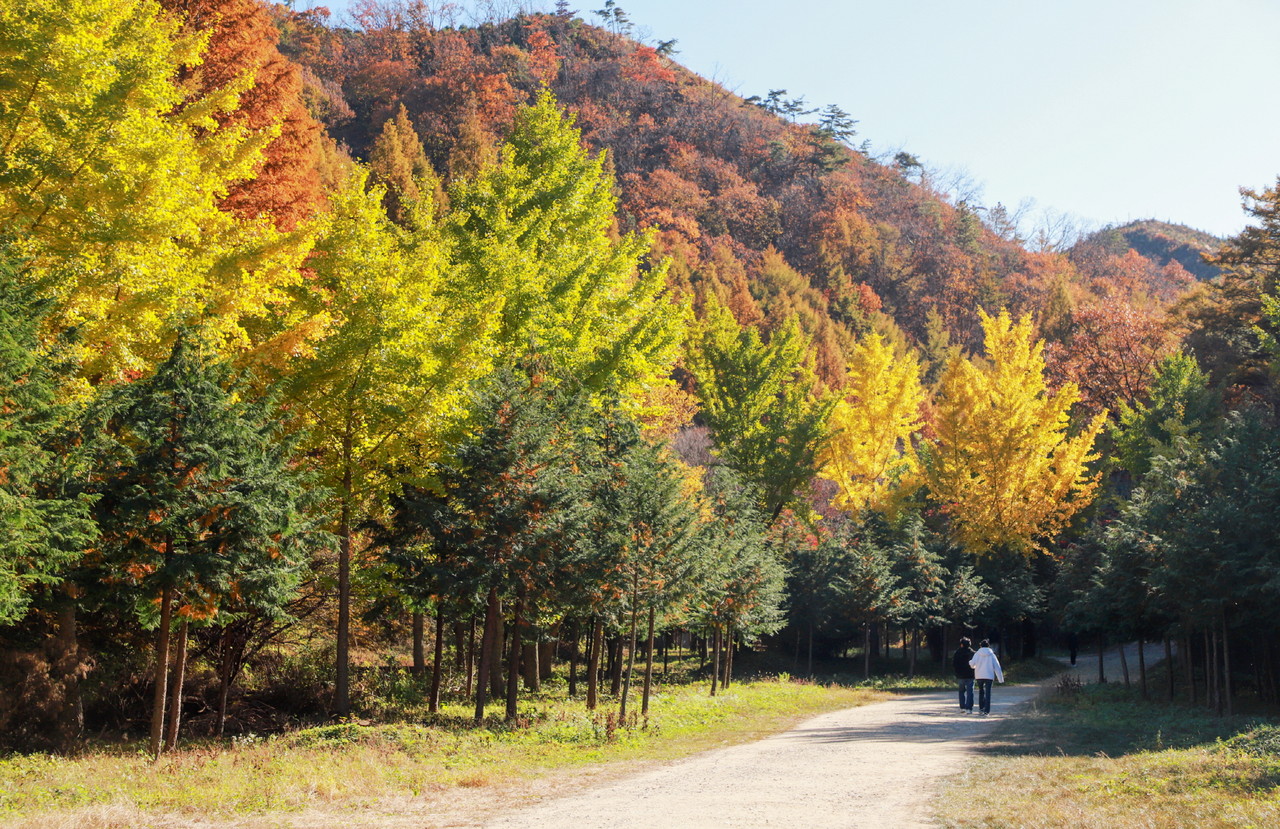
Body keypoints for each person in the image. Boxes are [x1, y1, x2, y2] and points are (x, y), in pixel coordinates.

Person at [969, 638, 1004, 715]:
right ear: (988, 646)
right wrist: (1000, 679)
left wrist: (970, 663)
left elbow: (972, 665)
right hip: (989, 676)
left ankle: (981, 709)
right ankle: (987, 711)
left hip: (979, 676)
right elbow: (997, 667)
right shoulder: (992, 655)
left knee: (981, 692)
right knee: (988, 693)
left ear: (980, 646)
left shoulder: (977, 654)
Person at [952, 636, 975, 713]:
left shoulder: (957, 653)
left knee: (961, 691)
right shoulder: (972, 653)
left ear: (961, 644)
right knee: (970, 692)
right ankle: (969, 708)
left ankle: (962, 707)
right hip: (970, 675)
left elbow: (954, 664)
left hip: (960, 675)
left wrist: (956, 673)